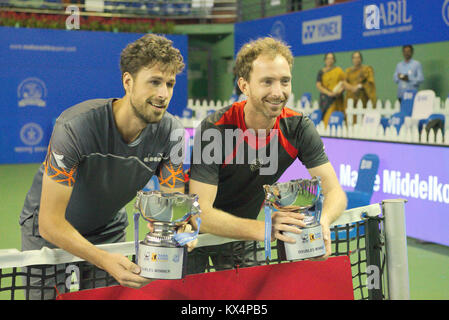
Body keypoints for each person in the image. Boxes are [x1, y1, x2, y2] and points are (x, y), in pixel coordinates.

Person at [19, 34, 196, 299]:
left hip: (106, 230)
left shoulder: (172, 133)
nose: (164, 94)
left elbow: (173, 202)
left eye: (169, 84)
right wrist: (103, 259)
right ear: (128, 82)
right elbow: (49, 223)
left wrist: (179, 226)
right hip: (47, 233)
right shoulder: (76, 126)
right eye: (155, 82)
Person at [187, 37, 347, 274]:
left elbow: (335, 192)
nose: (278, 92)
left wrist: (321, 224)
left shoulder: (298, 127)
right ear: (244, 86)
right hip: (194, 237)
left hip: (244, 235)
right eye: (267, 82)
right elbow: (202, 215)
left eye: (285, 81)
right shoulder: (216, 129)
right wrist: (266, 229)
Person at [343, 51, 377, 121]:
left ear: (361, 59)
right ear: (352, 59)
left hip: (363, 99)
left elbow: (370, 82)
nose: (356, 59)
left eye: (358, 57)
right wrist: (353, 88)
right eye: (354, 58)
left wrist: (359, 86)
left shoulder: (366, 70)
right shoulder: (348, 71)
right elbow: (344, 83)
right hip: (350, 100)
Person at [316, 53, 345, 126]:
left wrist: (338, 92)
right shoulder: (321, 72)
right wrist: (329, 93)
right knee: (326, 119)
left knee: (336, 119)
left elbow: (343, 84)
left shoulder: (339, 71)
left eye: (331, 58)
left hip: (337, 99)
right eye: (328, 58)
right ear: (325, 60)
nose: (330, 60)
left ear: (334, 60)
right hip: (326, 99)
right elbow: (319, 85)